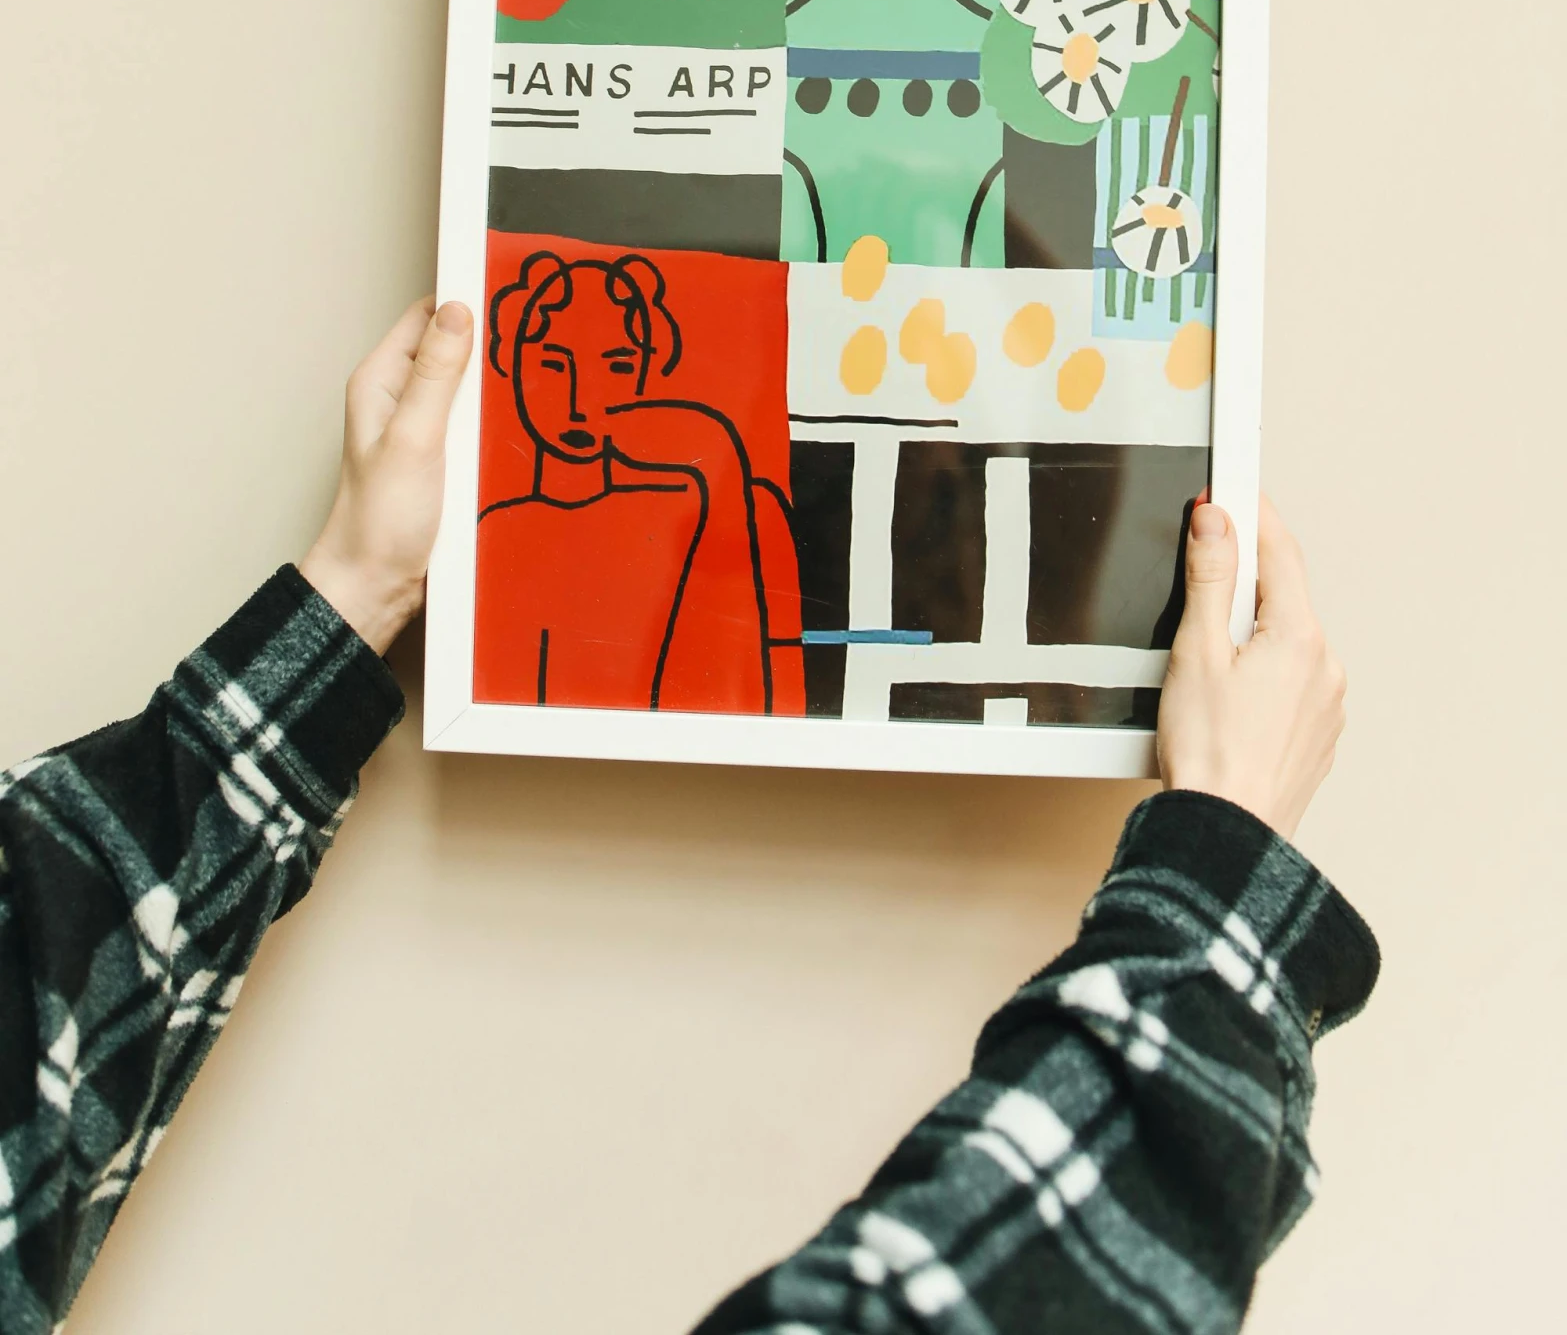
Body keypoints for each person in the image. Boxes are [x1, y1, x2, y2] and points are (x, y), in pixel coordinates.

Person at [0, 298, 1374, 1335]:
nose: (585, 400)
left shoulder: (712, 485)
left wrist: (352, 594)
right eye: (554, 366)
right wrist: (1212, 892)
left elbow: (31, 1032)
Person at [476, 250, 804, 715]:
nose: (581, 400)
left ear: (649, 367)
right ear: (511, 362)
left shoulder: (713, 505)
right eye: (553, 365)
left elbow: (753, 690)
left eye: (617, 366)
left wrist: (713, 445)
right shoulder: (500, 532)